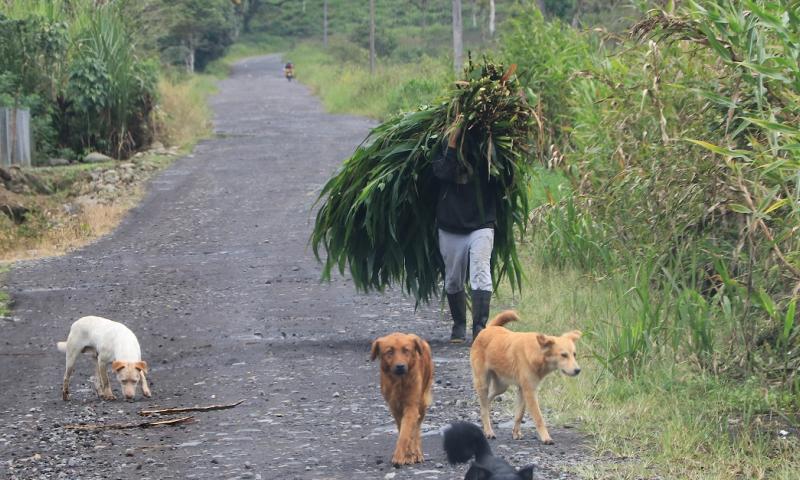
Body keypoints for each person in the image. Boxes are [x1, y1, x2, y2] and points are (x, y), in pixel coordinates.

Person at [432, 117, 497, 343]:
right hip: (450, 226)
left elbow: (500, 177)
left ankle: (480, 328)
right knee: (453, 279)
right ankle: (459, 324)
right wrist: (452, 142)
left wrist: (487, 139)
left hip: (481, 224)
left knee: (480, 272)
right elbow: (442, 173)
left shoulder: (488, 149)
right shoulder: (441, 148)